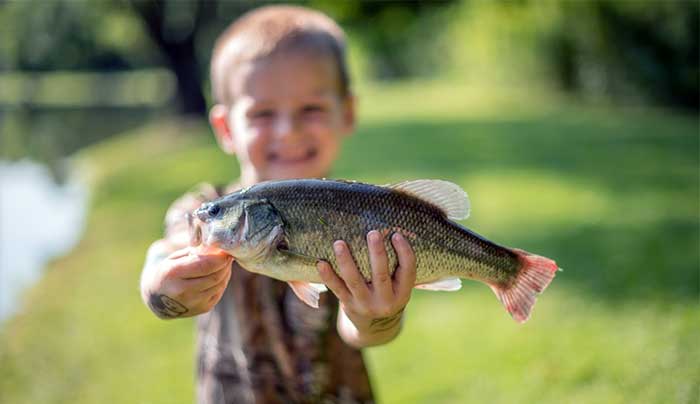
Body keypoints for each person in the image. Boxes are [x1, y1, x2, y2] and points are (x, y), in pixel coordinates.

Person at [139, 5, 417, 404]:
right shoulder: (205, 209)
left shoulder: (362, 219)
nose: (288, 132)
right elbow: (165, 252)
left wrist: (379, 316)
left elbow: (364, 334)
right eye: (263, 114)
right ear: (225, 128)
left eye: (311, 109)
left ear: (348, 112)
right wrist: (160, 286)